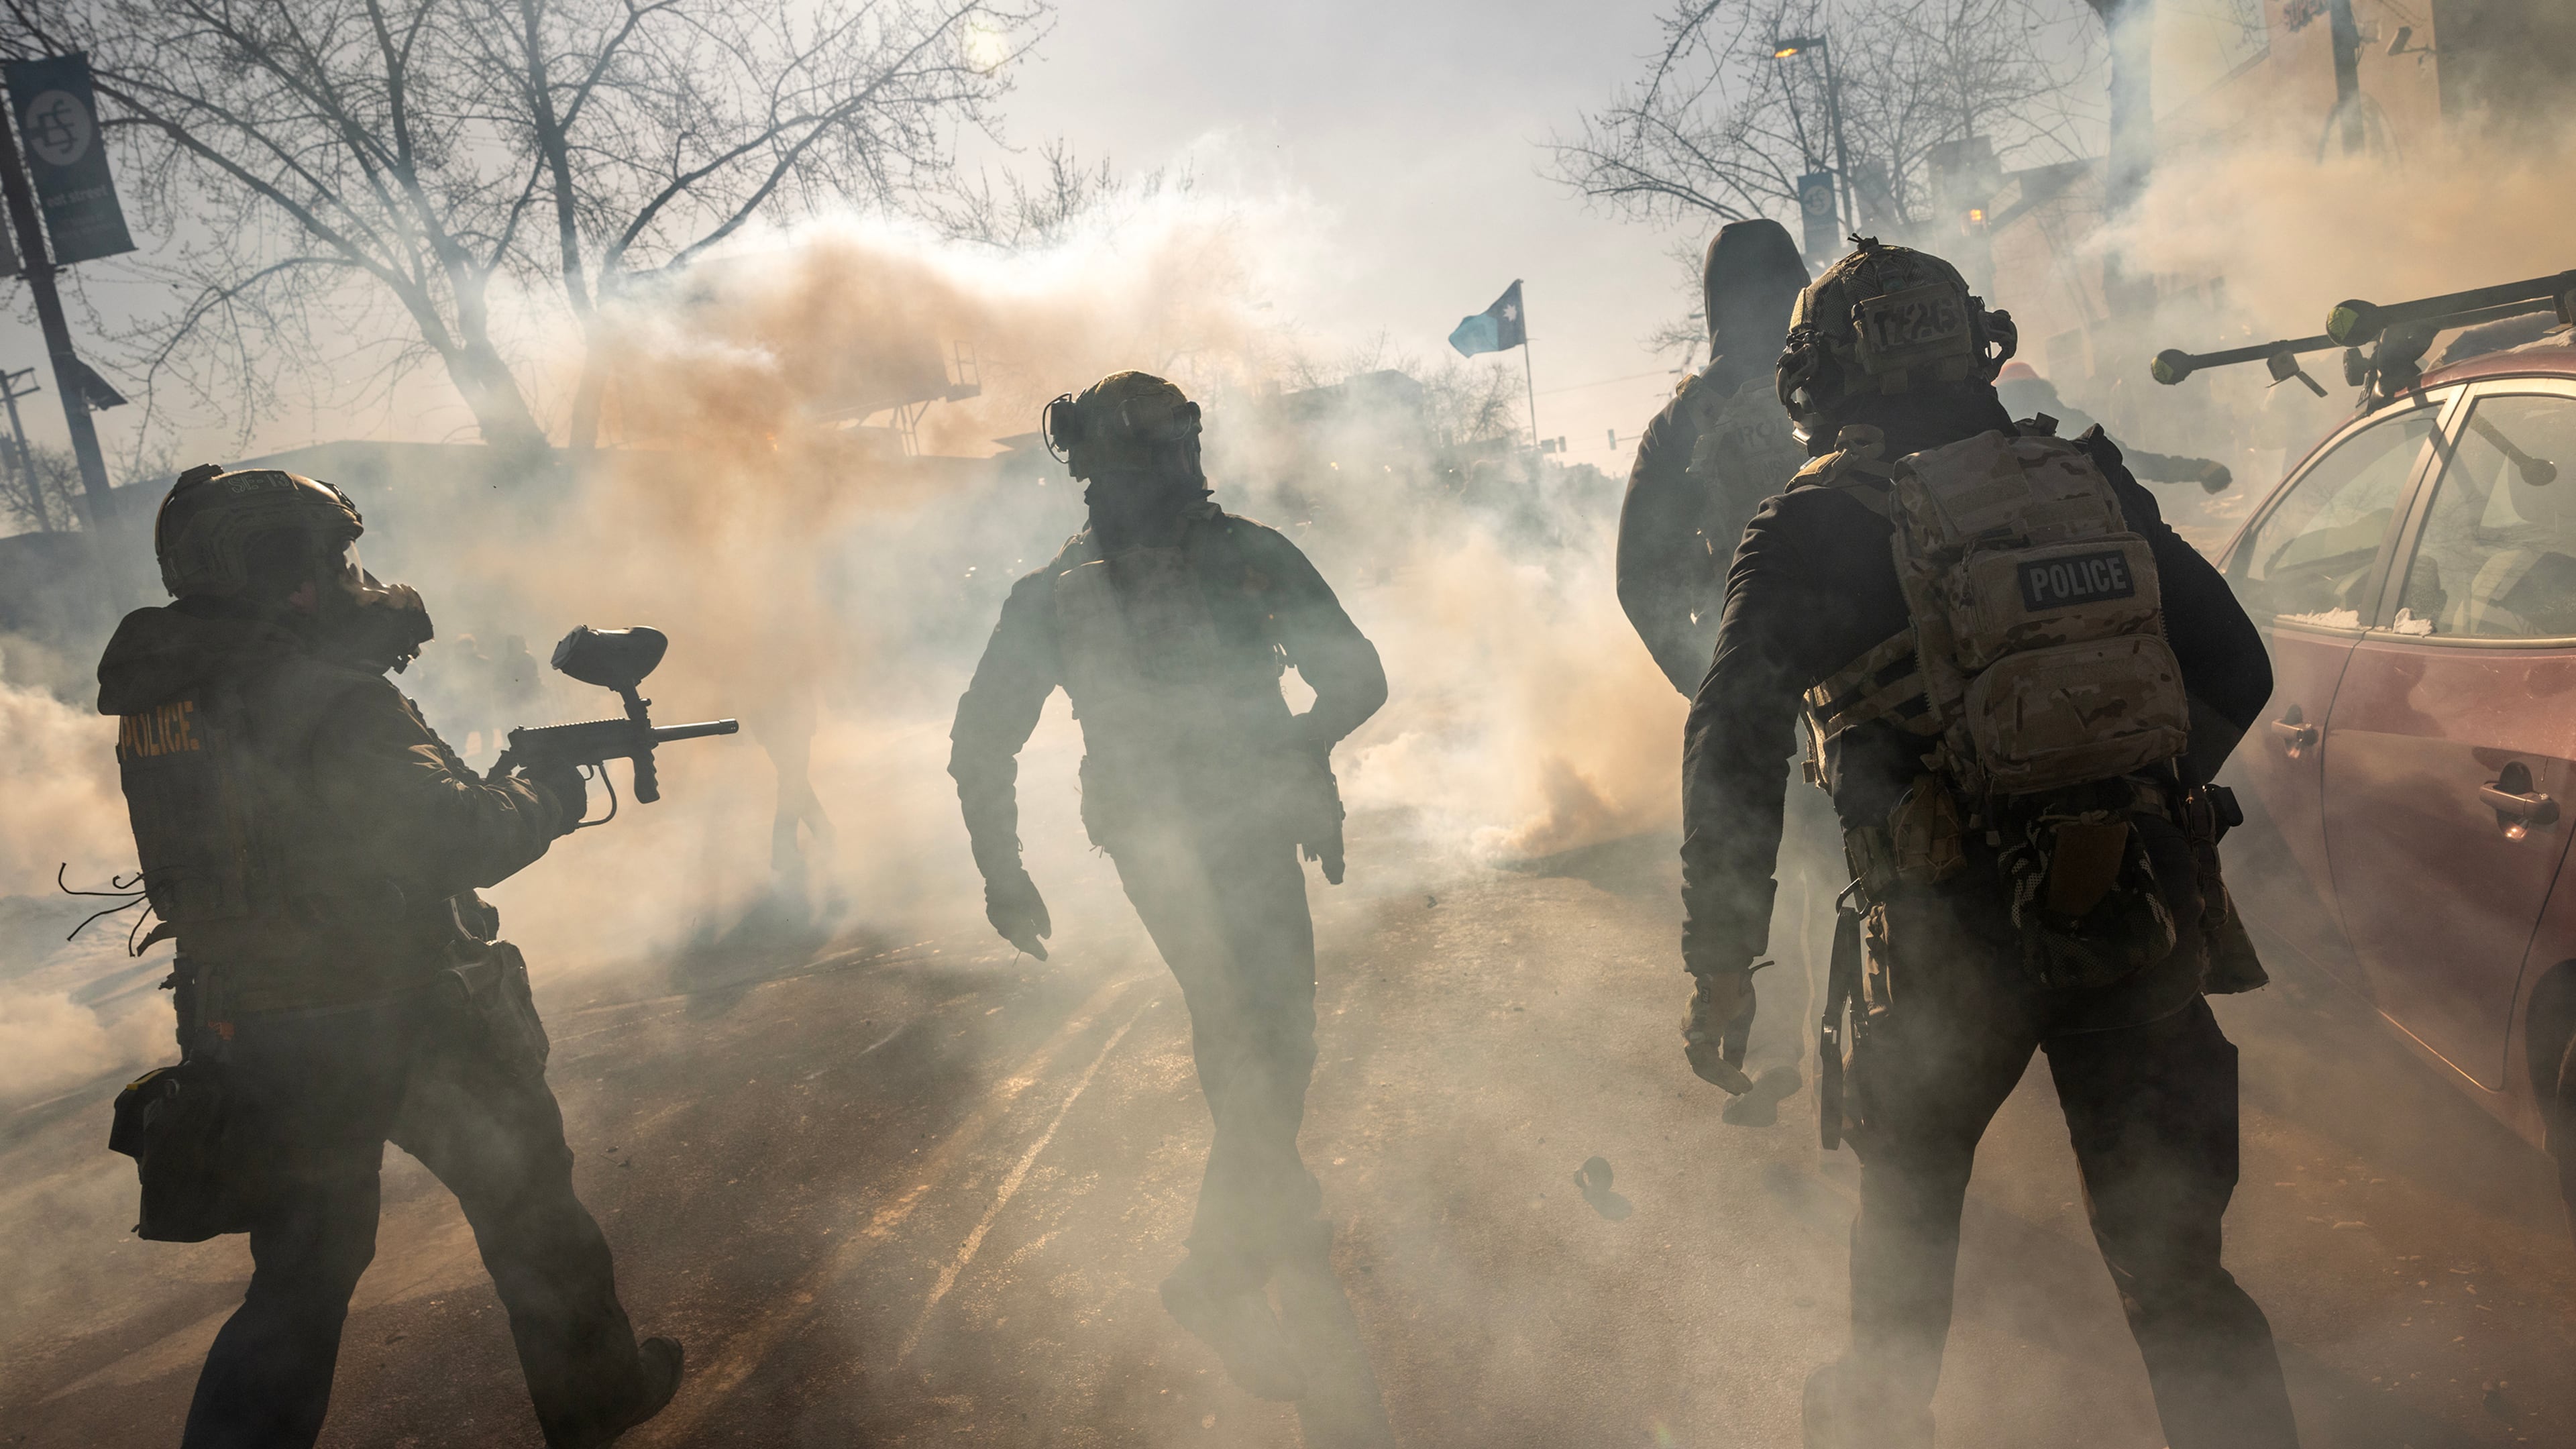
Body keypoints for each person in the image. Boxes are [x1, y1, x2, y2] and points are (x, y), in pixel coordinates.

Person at [1678, 241, 2299, 1448]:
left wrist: (1722, 957)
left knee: (1901, 1291)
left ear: (1819, 376)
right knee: (2181, 1289)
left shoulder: (1810, 523)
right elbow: (2238, 667)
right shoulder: (2085, 482)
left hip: (1943, 940)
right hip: (2136, 911)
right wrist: (2122, 803)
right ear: (1977, 343)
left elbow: (1730, 736)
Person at [98, 466, 682, 1449]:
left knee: (304, 1273)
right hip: (389, 1009)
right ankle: (600, 1398)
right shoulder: (328, 697)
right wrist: (546, 792)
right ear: (282, 573)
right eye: (327, 560)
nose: (342, 578)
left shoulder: (169, 698)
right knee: (528, 1209)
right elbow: (456, 837)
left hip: (248, 1019)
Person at [948, 372, 1387, 1404]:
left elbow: (982, 742)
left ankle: (1264, 1186)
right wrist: (1294, 748)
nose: (1181, 469)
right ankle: (1217, 1270)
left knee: (1249, 1028)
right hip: (1199, 837)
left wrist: (1003, 872)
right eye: (1164, 451)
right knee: (1266, 1031)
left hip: (1186, 835)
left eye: (1182, 446)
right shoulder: (1234, 559)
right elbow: (1356, 679)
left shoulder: (1066, 591)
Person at [1617, 218, 1812, 695]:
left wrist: (1711, 688)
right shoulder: (1854, 376)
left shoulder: (1679, 424)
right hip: (1889, 671)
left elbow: (1640, 580)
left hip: (1758, 681)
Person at [1995, 360, 2233, 492]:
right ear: (2043, 390)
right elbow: (2131, 461)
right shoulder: (2069, 420)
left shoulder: (1989, 435)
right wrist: (2200, 469)